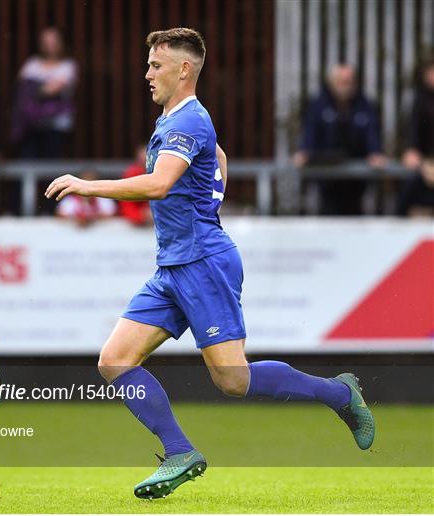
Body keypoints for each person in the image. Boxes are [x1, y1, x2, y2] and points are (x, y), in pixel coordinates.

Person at [45, 28, 375, 500]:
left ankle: (341, 394)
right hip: (173, 266)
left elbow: (159, 185)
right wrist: (209, 189)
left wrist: (87, 185)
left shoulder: (188, 122)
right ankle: (179, 451)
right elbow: (217, 158)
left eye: (156, 65)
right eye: (148, 65)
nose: (147, 74)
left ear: (184, 69)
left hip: (203, 262)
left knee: (233, 381)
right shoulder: (181, 121)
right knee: (115, 360)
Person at [293, 64, 386, 215]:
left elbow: (371, 132)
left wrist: (375, 152)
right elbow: (311, 130)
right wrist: (305, 151)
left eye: (348, 81)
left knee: (354, 215)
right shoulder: (319, 105)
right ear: (331, 82)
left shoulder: (364, 105)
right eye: (340, 81)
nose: (345, 86)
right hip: (328, 176)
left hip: (356, 179)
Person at [11, 27, 78, 158]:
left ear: (61, 43)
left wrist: (34, 87)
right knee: (28, 159)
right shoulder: (32, 63)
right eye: (47, 42)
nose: (50, 45)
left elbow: (51, 90)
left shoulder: (68, 65)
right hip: (31, 122)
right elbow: (21, 87)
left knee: (52, 161)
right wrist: (41, 88)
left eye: (54, 41)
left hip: (56, 123)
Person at [398, 59, 434, 216]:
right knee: (409, 184)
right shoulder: (419, 100)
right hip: (425, 165)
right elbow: (412, 133)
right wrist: (421, 160)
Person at [119, 145, 152, 226]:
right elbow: (125, 198)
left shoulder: (159, 172)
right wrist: (138, 216)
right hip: (135, 221)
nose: (145, 157)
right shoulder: (132, 173)